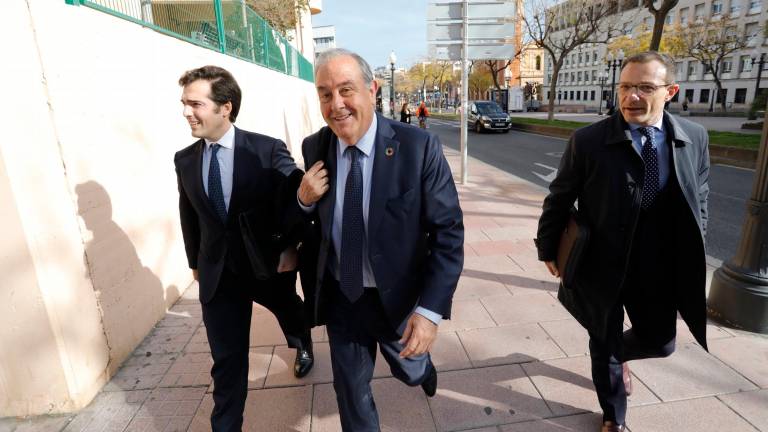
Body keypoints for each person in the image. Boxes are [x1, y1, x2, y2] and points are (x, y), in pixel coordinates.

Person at [535, 51, 710, 432]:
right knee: (604, 337)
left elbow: (702, 191)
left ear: (671, 91)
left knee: (661, 342)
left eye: (645, 87)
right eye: (626, 87)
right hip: (602, 263)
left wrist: (699, 235)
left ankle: (616, 355)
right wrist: (547, 247)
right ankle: (614, 413)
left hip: (658, 264)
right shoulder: (589, 141)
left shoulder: (694, 137)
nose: (632, 96)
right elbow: (560, 197)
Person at [297, 48, 464, 432]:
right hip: (344, 296)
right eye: (325, 93)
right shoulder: (314, 148)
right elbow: (309, 224)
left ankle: (422, 371)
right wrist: (302, 201)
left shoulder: (418, 149)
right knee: (351, 394)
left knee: (409, 369)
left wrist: (429, 312)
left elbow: (448, 234)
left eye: (346, 90)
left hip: (398, 297)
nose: (336, 104)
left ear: (372, 90)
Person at [174, 65, 314, 431]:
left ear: (226, 107)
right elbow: (189, 214)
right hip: (218, 275)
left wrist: (290, 246)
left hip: (266, 264)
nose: (187, 112)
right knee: (227, 362)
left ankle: (303, 344)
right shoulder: (185, 160)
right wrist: (195, 264)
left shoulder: (266, 150)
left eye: (196, 104)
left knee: (291, 313)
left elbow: (294, 197)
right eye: (184, 104)